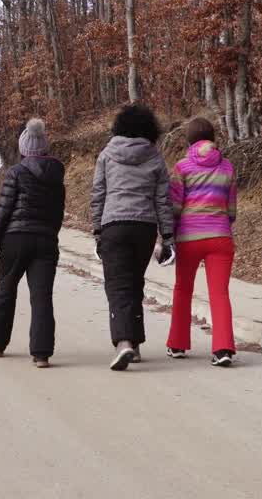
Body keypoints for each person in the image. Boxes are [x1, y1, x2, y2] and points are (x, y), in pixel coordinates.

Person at [90, 105, 174, 371]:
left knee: (118, 286)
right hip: (144, 228)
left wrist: (97, 229)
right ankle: (135, 345)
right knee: (134, 283)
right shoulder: (155, 157)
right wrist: (167, 235)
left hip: (114, 224)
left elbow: (98, 194)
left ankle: (124, 342)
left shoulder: (107, 154)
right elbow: (163, 200)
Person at [0, 118, 66, 368]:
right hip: (45, 241)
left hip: (15, 238)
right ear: (44, 147)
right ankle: (41, 353)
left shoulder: (16, 173)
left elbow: (3, 210)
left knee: (6, 289)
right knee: (42, 296)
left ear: (23, 148)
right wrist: (50, 235)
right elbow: (58, 212)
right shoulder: (56, 176)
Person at [165, 117, 238, 367]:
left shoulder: (182, 167)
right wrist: (222, 225)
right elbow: (231, 210)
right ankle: (223, 349)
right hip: (220, 238)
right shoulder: (227, 166)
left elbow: (174, 207)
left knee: (183, 289)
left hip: (189, 238)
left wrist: (169, 237)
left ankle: (177, 344)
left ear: (189, 140)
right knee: (219, 293)